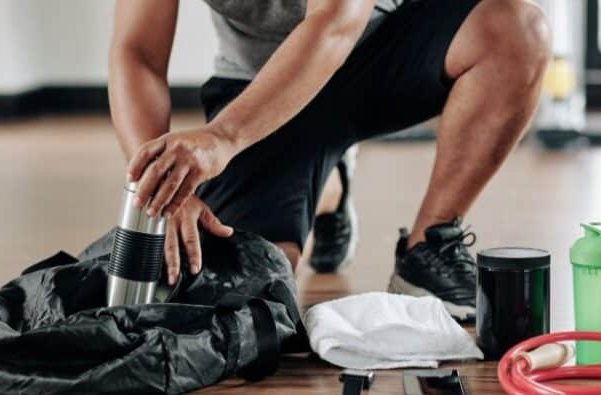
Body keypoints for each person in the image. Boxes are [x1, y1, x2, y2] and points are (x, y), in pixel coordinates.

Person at [108, 0, 551, 322]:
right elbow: (138, 53)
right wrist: (161, 188)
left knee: (517, 30)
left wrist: (222, 138)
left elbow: (337, 18)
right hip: (259, 87)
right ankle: (330, 188)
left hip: (379, 52)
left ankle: (428, 245)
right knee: (251, 289)